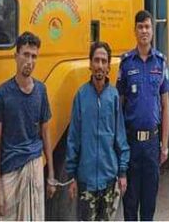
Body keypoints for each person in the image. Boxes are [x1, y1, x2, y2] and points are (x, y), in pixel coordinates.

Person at [0, 31, 56, 221]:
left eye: (34, 56)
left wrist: (51, 175)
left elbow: (46, 134)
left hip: (34, 167)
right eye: (25, 55)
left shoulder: (41, 90)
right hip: (10, 171)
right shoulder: (2, 93)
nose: (30, 61)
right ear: (16, 56)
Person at [65, 41, 130, 221]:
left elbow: (120, 137)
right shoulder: (81, 96)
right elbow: (73, 138)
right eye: (96, 60)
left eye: (103, 61)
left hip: (109, 179)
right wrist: (71, 176)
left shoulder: (114, 97)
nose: (100, 65)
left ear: (108, 67)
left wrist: (122, 172)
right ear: (90, 64)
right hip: (86, 181)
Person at [117, 10, 169, 221]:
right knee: (130, 203)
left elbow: (165, 107)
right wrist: (120, 145)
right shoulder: (126, 63)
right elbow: (119, 107)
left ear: (152, 30)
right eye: (140, 27)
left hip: (151, 144)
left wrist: (164, 145)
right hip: (131, 143)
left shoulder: (160, 62)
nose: (144, 31)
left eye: (147, 26)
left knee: (149, 204)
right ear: (135, 31)